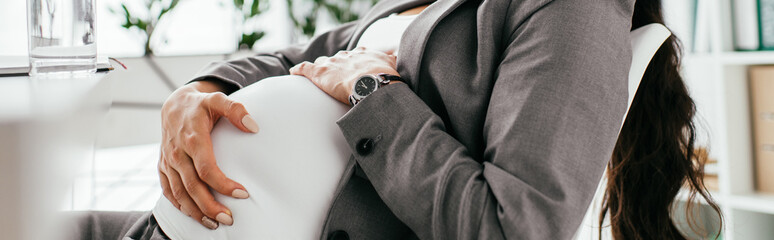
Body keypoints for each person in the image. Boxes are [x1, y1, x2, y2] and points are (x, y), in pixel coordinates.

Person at [68, 0, 722, 239]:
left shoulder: (570, 11)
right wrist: (195, 89)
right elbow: (298, 55)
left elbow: (515, 229)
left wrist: (368, 88)